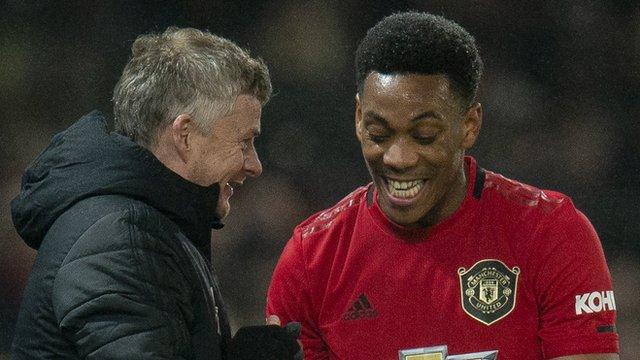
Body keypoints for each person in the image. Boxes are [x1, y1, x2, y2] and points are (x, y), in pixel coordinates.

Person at [266, 12, 619, 360]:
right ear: (358, 119)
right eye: (379, 134)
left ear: (469, 124)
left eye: (424, 135)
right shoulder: (311, 261)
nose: (398, 158)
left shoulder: (551, 234)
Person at [11, 27, 300, 359]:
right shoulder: (121, 239)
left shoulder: (149, 226)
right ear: (185, 135)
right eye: (244, 141)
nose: (255, 165)